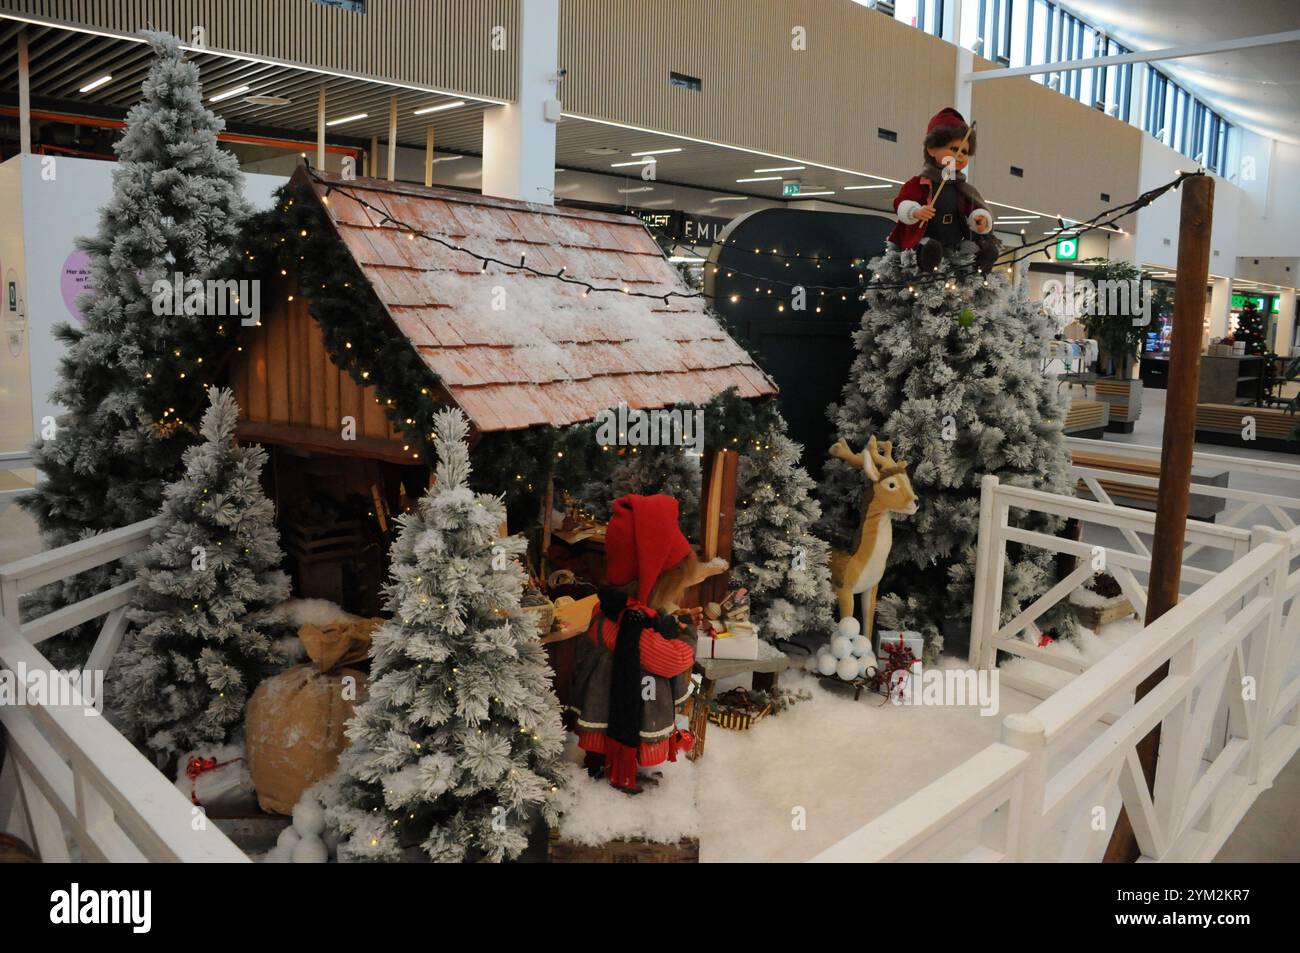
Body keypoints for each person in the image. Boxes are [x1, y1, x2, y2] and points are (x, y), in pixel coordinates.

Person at [569, 494, 726, 793]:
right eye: (674, 587)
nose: (678, 595)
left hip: (608, 704)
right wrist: (687, 634)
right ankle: (617, 771)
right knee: (617, 736)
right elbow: (674, 659)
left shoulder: (616, 609)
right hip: (620, 713)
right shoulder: (630, 625)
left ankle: (610, 764)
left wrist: (667, 620)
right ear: (652, 583)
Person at [889, 107, 1001, 274]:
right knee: (929, 247)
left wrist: (979, 219)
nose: (961, 155)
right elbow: (901, 203)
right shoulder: (919, 183)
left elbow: (973, 210)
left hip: (955, 243)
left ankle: (980, 264)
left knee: (975, 248)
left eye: (964, 151)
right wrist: (915, 211)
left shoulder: (963, 188)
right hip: (926, 239)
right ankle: (927, 262)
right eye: (954, 149)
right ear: (932, 149)